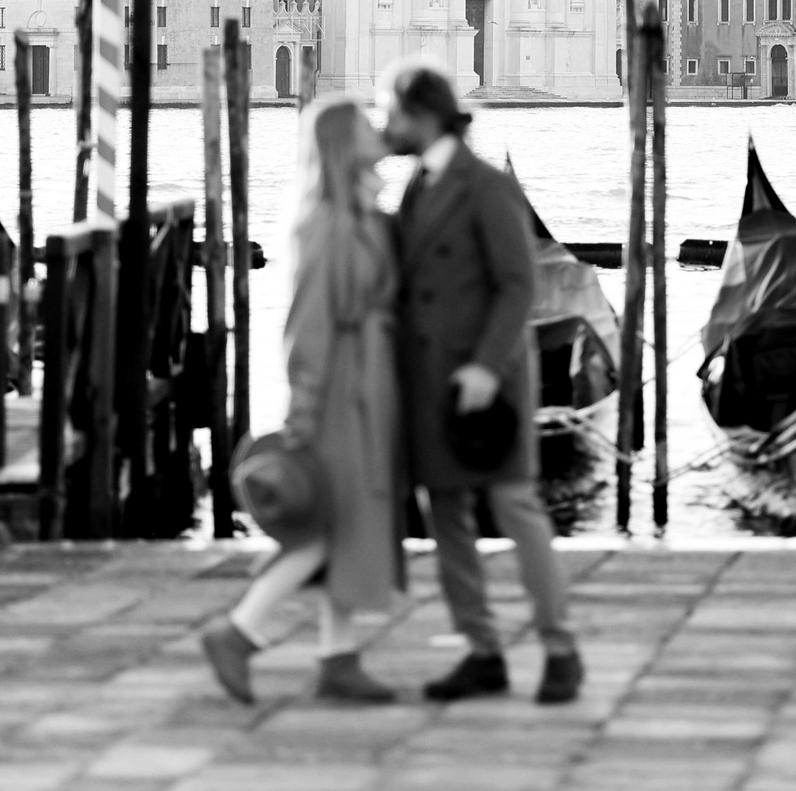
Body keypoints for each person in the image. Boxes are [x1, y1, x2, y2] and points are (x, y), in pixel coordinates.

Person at [378, 56, 581, 704]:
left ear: (421, 114)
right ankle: (482, 648)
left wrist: (486, 367)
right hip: (429, 381)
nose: (384, 125)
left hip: (483, 382)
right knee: (449, 519)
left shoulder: (486, 185)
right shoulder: (414, 184)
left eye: (390, 112)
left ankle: (559, 648)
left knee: (517, 509)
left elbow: (519, 282)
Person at [200, 95, 405, 704]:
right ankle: (239, 631)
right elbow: (307, 325)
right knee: (328, 526)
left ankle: (337, 656)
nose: (380, 132)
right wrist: (304, 411)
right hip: (341, 394)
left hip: (367, 389)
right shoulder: (327, 223)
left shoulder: (360, 213)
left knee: (349, 526)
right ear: (345, 144)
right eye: (368, 128)